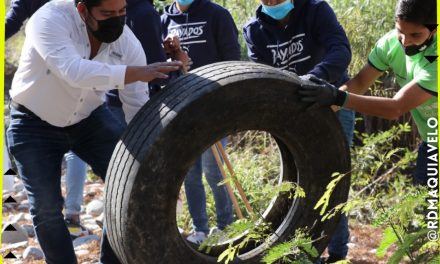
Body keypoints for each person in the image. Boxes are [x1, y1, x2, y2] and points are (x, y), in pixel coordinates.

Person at [6, 0, 183, 263]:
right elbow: (73, 71)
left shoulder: (128, 42)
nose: (117, 20)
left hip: (89, 118)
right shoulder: (49, 19)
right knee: (47, 209)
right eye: (107, 14)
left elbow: (136, 106)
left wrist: (148, 158)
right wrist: (134, 72)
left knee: (131, 184)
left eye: (122, 12)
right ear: (82, 10)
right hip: (33, 122)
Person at [243, 0, 354, 262]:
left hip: (332, 103)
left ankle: (338, 254)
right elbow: (262, 75)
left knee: (334, 181)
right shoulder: (253, 30)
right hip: (291, 112)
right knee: (299, 185)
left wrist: (314, 79)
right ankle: (307, 255)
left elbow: (340, 51)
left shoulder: (316, 10)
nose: (271, 2)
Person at [299, 0, 437, 187]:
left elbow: (396, 108)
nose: (405, 41)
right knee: (427, 213)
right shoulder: (389, 45)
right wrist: (315, 110)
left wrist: (336, 97)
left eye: (415, 35)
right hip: (432, 143)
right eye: (400, 31)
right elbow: (358, 83)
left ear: (434, 29)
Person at [5, 0, 89, 238]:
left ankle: (58, 215)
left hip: (51, 79)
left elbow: (12, 21)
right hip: (69, 75)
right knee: (75, 149)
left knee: (67, 150)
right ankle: (70, 216)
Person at [161, 0, 241, 244]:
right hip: (181, 108)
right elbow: (158, 64)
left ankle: (227, 226)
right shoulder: (163, 19)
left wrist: (227, 101)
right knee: (189, 171)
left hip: (213, 106)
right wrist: (169, 53)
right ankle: (200, 230)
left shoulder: (217, 14)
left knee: (213, 168)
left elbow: (233, 60)